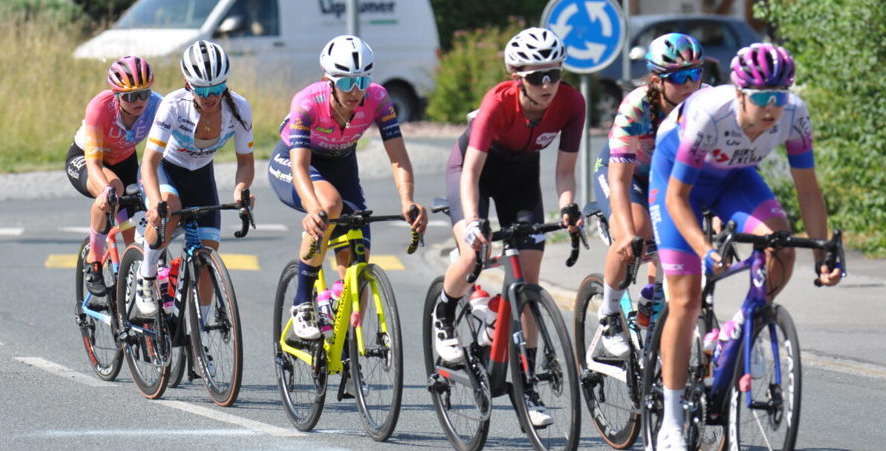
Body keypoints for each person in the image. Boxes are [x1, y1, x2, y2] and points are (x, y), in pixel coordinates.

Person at [648, 43, 842, 451]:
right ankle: (672, 423)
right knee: (685, 298)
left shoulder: (795, 114)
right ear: (739, 93)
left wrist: (823, 254)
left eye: (780, 96)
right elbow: (678, 199)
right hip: (677, 185)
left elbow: (808, 190)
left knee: (782, 245)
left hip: (734, 180)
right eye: (762, 98)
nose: (773, 108)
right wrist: (703, 249)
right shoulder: (707, 115)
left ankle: (732, 331)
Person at [431, 27, 585, 385]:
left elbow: (565, 172)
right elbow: (470, 172)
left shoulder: (572, 103)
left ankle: (524, 380)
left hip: (521, 176)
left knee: (528, 283)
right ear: (517, 78)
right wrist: (472, 222)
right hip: (476, 171)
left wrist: (568, 208)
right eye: (536, 77)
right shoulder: (498, 102)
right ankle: (445, 312)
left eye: (554, 75)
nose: (547, 84)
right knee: (472, 255)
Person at [267, 34, 427, 340]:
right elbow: (300, 165)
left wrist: (408, 200)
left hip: (341, 166)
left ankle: (349, 349)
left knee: (358, 262)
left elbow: (398, 159)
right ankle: (301, 302)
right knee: (329, 206)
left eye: (362, 82)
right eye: (345, 84)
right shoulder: (307, 102)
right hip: (295, 163)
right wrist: (312, 207)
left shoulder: (379, 99)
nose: (355, 91)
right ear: (328, 81)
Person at [591, 33, 706, 357]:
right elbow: (619, 178)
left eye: (696, 74)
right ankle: (610, 312)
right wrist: (626, 233)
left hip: (667, 177)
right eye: (680, 77)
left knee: (673, 244)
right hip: (625, 172)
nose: (689, 85)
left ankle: (652, 300)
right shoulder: (637, 106)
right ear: (656, 80)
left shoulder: (704, 101)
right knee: (638, 231)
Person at [136, 40, 255, 317]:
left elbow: (246, 163)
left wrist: (241, 189)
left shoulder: (238, 108)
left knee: (206, 255)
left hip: (201, 176)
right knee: (170, 207)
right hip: (166, 170)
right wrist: (154, 202)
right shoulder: (174, 105)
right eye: (202, 89)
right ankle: (147, 275)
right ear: (189, 84)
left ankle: (198, 335)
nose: (210, 95)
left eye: (217, 88)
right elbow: (149, 163)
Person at [65, 56, 162, 296]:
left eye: (143, 93)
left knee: (136, 233)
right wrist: (107, 192)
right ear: (117, 95)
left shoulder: (158, 106)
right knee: (112, 190)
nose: (138, 101)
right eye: (129, 96)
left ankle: (131, 291)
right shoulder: (100, 107)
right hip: (87, 160)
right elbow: (94, 163)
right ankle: (94, 260)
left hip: (125, 161)